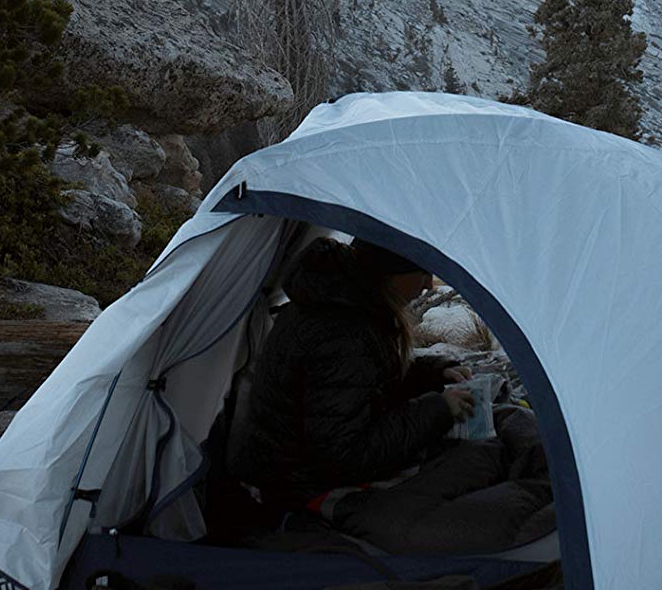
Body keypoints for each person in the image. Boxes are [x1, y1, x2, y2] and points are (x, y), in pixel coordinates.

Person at [225, 236, 552, 554]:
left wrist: (432, 374)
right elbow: (346, 454)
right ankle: (558, 493)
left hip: (318, 470)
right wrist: (437, 409)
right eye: (421, 273)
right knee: (474, 491)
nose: (427, 285)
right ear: (389, 275)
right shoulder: (340, 332)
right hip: (308, 487)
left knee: (489, 438)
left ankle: (549, 477)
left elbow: (362, 386)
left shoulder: (341, 309)